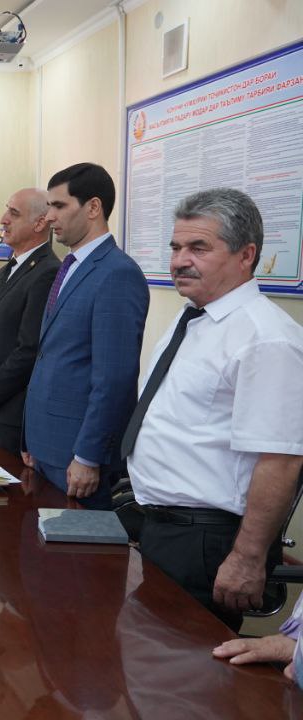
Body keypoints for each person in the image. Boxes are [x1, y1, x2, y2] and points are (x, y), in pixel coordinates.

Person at [124, 188, 303, 631]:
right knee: (147, 657)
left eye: (198, 248)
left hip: (204, 540)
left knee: (184, 667)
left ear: (246, 255)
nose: (179, 261)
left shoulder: (266, 338)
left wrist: (248, 556)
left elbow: (281, 460)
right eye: (175, 247)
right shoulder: (194, 317)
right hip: (160, 524)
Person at [24, 162, 149, 509]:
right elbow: (51, 354)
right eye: (48, 206)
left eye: (59, 206)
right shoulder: (70, 266)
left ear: (93, 207)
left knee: (75, 546)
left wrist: (88, 456)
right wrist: (30, 437)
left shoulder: (117, 274)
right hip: (46, 446)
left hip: (78, 457)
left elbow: (115, 378)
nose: (49, 216)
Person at [0, 190, 60, 455]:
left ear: (40, 223)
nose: (3, 219)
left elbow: (28, 350)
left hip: (7, 416)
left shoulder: (47, 272)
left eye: (13, 214)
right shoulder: (8, 269)